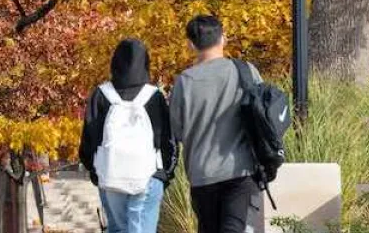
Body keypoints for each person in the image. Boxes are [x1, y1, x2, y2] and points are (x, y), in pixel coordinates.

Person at [169, 15, 264, 233]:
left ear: (191, 45)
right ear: (224, 38)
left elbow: (177, 130)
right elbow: (263, 115)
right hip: (241, 170)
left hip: (202, 174)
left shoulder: (185, 82)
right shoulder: (246, 71)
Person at [79, 39, 175, 233]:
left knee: (117, 229)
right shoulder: (153, 96)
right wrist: (165, 173)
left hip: (110, 176)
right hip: (148, 176)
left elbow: (89, 140)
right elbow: (167, 139)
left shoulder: (101, 94)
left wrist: (96, 170)